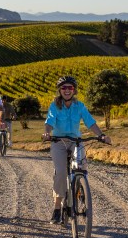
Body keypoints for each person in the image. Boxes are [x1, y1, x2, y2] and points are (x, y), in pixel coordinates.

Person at [42, 75, 111, 225]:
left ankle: (80, 187)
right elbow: (50, 121)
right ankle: (57, 208)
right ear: (60, 90)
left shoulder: (80, 106)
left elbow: (90, 122)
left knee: (81, 164)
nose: (67, 90)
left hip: (75, 141)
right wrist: (47, 133)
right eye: (64, 88)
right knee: (60, 172)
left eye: (70, 88)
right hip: (58, 141)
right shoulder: (55, 105)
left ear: (74, 90)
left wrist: (101, 135)